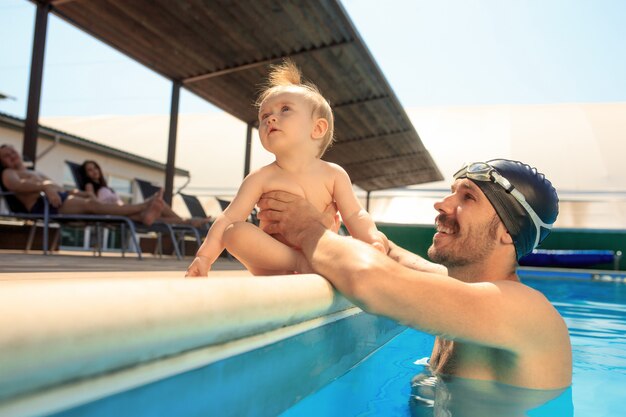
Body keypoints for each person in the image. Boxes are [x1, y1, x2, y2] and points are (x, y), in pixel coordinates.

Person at [256, 159, 573, 392]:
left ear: (507, 231)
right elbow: (388, 256)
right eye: (452, 192)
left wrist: (308, 229)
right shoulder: (458, 293)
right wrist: (334, 225)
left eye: (467, 197)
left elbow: (371, 280)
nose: (442, 203)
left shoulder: (523, 310)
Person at [185, 60, 388, 276]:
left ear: (317, 128)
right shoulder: (261, 178)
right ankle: (299, 262)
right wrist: (204, 257)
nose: (270, 118)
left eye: (285, 109)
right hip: (272, 264)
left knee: (375, 240)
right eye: (264, 116)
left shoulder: (334, 174)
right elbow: (228, 218)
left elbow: (355, 214)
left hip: (320, 252)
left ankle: (313, 261)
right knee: (234, 232)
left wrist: (372, 240)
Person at [0, 144, 163, 225]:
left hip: (56, 198)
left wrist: (79, 193)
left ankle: (143, 216)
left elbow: (59, 189)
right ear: (2, 162)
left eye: (13, 151)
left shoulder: (34, 172)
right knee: (92, 205)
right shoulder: (8, 173)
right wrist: (45, 187)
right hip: (42, 204)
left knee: (94, 205)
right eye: (7, 155)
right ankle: (143, 207)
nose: (12, 155)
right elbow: (17, 186)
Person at [79, 159, 211, 226]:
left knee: (156, 212)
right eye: (90, 170)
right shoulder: (90, 185)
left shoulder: (105, 187)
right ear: (86, 174)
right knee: (157, 205)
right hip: (111, 213)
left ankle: (184, 221)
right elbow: (95, 204)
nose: (94, 170)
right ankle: (186, 221)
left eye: (95, 167)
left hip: (122, 210)